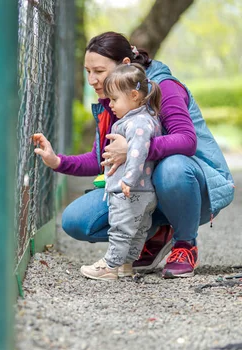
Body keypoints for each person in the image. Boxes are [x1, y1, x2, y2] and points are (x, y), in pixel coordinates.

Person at [32, 32, 234, 279]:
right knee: (76, 220)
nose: (91, 80)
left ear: (125, 65)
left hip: (194, 186)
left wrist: (135, 149)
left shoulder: (164, 87)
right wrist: (57, 161)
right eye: (87, 71)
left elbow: (187, 141)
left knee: (172, 168)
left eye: (98, 71)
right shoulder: (113, 100)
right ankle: (158, 232)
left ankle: (185, 244)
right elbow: (102, 158)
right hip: (142, 188)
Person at [79, 63, 161, 280]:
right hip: (142, 191)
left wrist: (128, 179)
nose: (111, 105)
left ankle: (109, 266)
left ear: (134, 95)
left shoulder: (137, 123)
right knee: (136, 231)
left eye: (114, 100)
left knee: (121, 230)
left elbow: (137, 153)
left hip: (130, 190)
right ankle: (126, 265)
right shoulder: (145, 118)